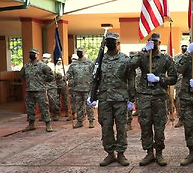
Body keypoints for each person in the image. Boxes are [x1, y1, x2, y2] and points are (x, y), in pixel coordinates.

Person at [130, 33, 177, 166]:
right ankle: (149, 153)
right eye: (151, 42)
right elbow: (130, 65)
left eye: (156, 42)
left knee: (159, 126)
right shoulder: (142, 58)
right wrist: (142, 51)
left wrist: (159, 79)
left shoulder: (166, 59)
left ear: (159, 43)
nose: (153, 44)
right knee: (145, 126)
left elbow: (173, 78)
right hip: (144, 96)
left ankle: (159, 153)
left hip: (159, 97)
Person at [88, 33, 133, 166]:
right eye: (108, 41)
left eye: (113, 41)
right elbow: (94, 78)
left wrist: (131, 98)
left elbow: (131, 79)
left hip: (120, 99)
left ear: (118, 43)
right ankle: (110, 153)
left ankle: (121, 154)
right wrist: (91, 96)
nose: (110, 43)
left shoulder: (125, 59)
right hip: (105, 99)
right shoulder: (100, 59)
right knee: (106, 127)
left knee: (121, 127)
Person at [20, 49, 55, 132]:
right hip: (29, 90)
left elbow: (50, 76)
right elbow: (22, 74)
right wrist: (29, 82)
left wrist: (42, 80)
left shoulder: (43, 65)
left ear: (37, 55)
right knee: (30, 108)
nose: (31, 55)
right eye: (30, 53)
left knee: (44, 108)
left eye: (33, 53)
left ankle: (48, 125)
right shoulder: (26, 66)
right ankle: (31, 124)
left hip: (40, 90)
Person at [66, 47, 95, 128]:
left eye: (81, 52)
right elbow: (69, 73)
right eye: (78, 52)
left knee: (89, 106)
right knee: (78, 106)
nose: (79, 53)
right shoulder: (73, 64)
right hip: (77, 88)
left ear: (84, 52)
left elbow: (94, 74)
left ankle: (91, 120)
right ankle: (79, 121)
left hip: (87, 88)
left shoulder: (90, 63)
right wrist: (66, 77)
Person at [173, 42, 188, 128]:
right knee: (179, 101)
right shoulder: (177, 57)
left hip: (188, 82)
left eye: (186, 46)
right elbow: (175, 68)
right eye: (183, 46)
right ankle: (180, 118)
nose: (184, 47)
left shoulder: (191, 55)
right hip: (179, 83)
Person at [42, 53, 60, 121]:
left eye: (46, 58)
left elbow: (58, 76)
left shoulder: (54, 66)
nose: (45, 59)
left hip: (52, 86)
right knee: (43, 102)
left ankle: (56, 113)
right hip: (42, 86)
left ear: (50, 59)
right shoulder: (40, 65)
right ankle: (44, 115)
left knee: (53, 101)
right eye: (44, 58)